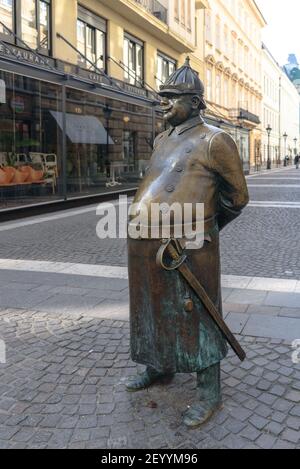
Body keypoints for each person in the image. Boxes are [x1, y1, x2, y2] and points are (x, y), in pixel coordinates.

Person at [126, 58, 249, 427]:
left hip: (189, 248)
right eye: (162, 96)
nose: (163, 103)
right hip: (145, 245)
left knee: (196, 312)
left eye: (172, 97)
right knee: (150, 308)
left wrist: (203, 231)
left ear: (195, 103)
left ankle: (209, 391)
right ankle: (158, 365)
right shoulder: (162, 138)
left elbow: (237, 197)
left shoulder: (215, 140)